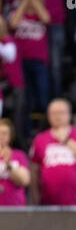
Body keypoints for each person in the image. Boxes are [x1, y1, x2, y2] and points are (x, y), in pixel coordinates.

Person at [29, 98, 76, 206]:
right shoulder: (40, 139)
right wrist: (34, 198)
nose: (57, 116)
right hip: (48, 204)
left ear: (69, 114)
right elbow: (34, 171)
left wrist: (66, 141)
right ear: (48, 116)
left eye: (61, 112)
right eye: (53, 113)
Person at [10, 0, 50, 122]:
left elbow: (46, 18)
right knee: (25, 98)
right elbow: (13, 23)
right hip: (21, 61)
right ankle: (26, 130)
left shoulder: (41, 13)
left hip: (39, 60)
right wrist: (25, 1)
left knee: (43, 95)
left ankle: (45, 126)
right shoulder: (17, 13)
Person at [0, 15, 25, 147]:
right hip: (4, 87)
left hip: (14, 85)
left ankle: (17, 149)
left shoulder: (8, 41)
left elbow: (9, 55)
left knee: (16, 121)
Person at [0, 118, 30, 206]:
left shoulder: (19, 155)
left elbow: (24, 181)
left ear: (11, 136)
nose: (1, 136)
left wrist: (8, 165)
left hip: (15, 207)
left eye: (4, 133)